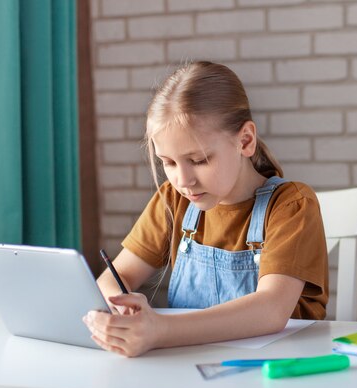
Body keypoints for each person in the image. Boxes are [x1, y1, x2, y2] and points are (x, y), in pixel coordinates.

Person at [84, 61, 328, 357]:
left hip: (278, 372)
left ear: (245, 141)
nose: (183, 180)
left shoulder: (291, 205)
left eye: (199, 160)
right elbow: (113, 277)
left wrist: (161, 330)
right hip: (192, 365)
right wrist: (116, 313)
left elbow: (271, 310)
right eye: (169, 163)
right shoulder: (173, 202)